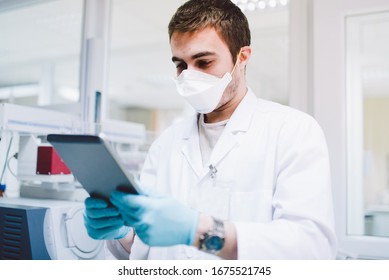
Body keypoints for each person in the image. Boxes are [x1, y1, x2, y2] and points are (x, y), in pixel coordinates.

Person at [84, 0, 337, 260]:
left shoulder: (293, 131)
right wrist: (120, 233)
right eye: (180, 65)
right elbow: (145, 249)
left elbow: (311, 248)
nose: (188, 76)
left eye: (203, 62)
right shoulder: (166, 144)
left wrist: (199, 231)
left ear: (242, 57)